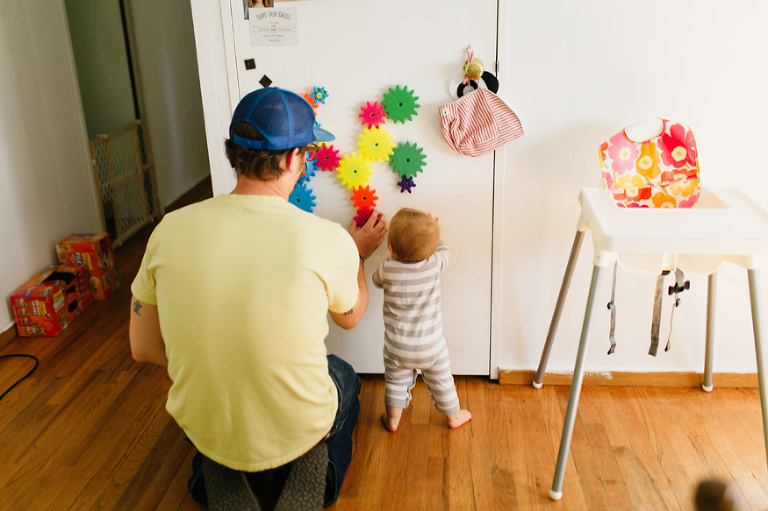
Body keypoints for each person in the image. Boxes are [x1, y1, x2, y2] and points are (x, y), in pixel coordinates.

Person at [129, 86, 387, 508]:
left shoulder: (169, 229)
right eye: (305, 154)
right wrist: (356, 253)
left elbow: (142, 348)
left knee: (220, 406)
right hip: (295, 423)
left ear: (234, 153)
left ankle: (221, 470)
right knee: (342, 374)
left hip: (209, 421)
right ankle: (308, 470)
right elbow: (351, 316)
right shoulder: (325, 237)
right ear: (291, 159)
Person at [371, 208, 471, 432]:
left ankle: (393, 420)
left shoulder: (387, 269)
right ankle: (453, 415)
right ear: (430, 249)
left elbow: (376, 280)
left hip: (398, 348)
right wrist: (435, 233)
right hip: (431, 346)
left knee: (395, 384)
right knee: (442, 381)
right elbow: (445, 251)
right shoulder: (434, 265)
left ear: (391, 248)